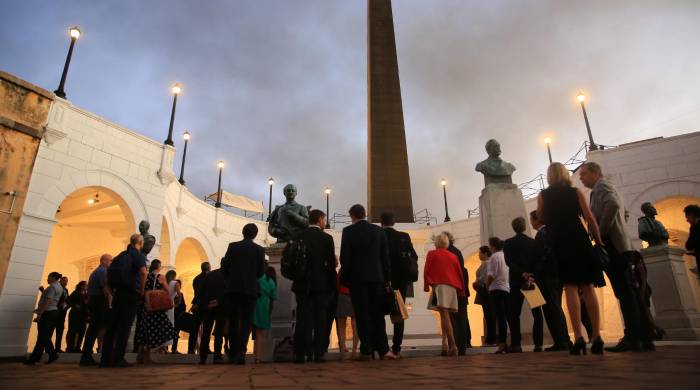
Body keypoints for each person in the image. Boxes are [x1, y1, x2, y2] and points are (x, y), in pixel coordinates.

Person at [580, 161, 654, 352]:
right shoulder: (606, 187)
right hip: (620, 245)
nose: (581, 177)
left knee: (624, 292)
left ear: (595, 172)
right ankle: (644, 335)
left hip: (614, 247)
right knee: (628, 291)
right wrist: (617, 226)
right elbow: (625, 212)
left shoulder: (602, 186)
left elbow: (612, 205)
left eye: (584, 174)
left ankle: (633, 336)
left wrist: (601, 232)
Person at [538, 162, 604, 355]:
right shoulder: (575, 192)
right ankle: (597, 336)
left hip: (559, 242)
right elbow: (589, 217)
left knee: (570, 288)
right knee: (588, 287)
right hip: (578, 238)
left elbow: (541, 217)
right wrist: (598, 241)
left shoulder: (543, 196)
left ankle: (578, 337)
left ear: (550, 176)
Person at [339, 204, 396, 360]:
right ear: (364, 214)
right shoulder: (378, 231)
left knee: (362, 315)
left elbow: (345, 258)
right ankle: (384, 349)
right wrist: (387, 279)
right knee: (377, 315)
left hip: (357, 281)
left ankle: (366, 350)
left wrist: (346, 280)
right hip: (377, 279)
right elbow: (385, 258)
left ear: (353, 216)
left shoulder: (348, 232)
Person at [292, 209, 337, 363]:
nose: (325, 222)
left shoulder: (298, 236)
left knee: (302, 319)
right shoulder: (326, 239)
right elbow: (331, 265)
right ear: (319, 220)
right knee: (320, 319)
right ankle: (318, 353)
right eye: (324, 220)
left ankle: (300, 354)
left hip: (301, 285)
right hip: (321, 285)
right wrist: (332, 286)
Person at [100, 234, 148, 368]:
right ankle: (118, 359)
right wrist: (141, 291)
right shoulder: (138, 255)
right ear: (140, 242)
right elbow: (144, 273)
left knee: (112, 327)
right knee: (124, 327)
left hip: (118, 294)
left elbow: (109, 274)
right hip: (131, 294)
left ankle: (105, 359)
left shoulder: (121, 255)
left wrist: (112, 292)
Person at [221, 223, 266, 364]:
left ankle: (233, 352)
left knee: (233, 320)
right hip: (250, 289)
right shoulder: (259, 250)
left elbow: (225, 266)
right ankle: (241, 352)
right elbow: (260, 272)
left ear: (243, 232)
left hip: (233, 288)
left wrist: (231, 279)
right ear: (255, 235)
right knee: (246, 321)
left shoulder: (233, 246)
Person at [529, 211, 571, 352]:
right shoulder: (549, 232)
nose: (531, 222)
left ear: (537, 220)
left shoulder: (542, 234)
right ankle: (562, 339)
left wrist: (536, 273)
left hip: (547, 278)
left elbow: (543, 256)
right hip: (555, 277)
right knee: (555, 308)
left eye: (531, 219)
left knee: (552, 309)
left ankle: (562, 341)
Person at [503, 217, 544, 353]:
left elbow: (509, 262)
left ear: (513, 228)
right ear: (525, 226)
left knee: (513, 314)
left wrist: (522, 273)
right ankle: (538, 344)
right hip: (531, 281)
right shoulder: (532, 243)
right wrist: (530, 274)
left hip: (516, 282)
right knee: (537, 313)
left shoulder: (508, 243)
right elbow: (538, 261)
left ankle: (516, 344)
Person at [381, 212, 418, 357]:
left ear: (381, 222)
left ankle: (383, 347)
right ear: (394, 222)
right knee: (399, 312)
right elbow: (413, 256)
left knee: (379, 312)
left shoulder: (378, 235)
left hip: (383, 279)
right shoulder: (404, 236)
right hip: (401, 280)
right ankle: (397, 347)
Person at [424, 233, 465, 356]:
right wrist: (461, 290)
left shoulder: (432, 254)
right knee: (444, 315)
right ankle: (444, 343)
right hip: (452, 287)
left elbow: (427, 270)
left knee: (445, 315)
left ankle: (452, 345)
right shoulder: (453, 256)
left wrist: (426, 285)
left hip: (439, 286)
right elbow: (459, 272)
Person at [135, 259, 178, 364]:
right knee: (160, 329)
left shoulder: (146, 276)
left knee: (144, 330)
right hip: (156, 309)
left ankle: (140, 355)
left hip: (147, 307)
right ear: (158, 267)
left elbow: (142, 290)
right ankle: (147, 357)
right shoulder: (161, 277)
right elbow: (167, 291)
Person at [80, 254, 113, 366]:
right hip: (99, 301)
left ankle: (86, 355)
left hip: (94, 301)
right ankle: (86, 356)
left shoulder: (97, 271)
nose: (111, 262)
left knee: (93, 329)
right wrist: (110, 304)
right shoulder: (103, 272)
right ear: (104, 261)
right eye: (110, 260)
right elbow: (105, 289)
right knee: (95, 328)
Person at [25, 272, 64, 365]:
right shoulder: (59, 287)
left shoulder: (52, 287)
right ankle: (34, 358)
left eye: (49, 277)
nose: (47, 279)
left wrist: (39, 315)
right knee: (43, 336)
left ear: (53, 278)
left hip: (47, 312)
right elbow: (52, 298)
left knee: (43, 335)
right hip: (54, 312)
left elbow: (48, 301)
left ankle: (52, 354)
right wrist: (43, 291)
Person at [444, 231, 472, 353]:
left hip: (453, 289)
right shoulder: (456, 252)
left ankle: (458, 345)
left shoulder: (449, 253)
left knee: (456, 319)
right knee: (461, 318)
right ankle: (463, 345)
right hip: (461, 289)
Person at [194, 264, 227, 364]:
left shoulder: (210, 275)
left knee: (206, 333)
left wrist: (203, 304)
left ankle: (202, 357)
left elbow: (200, 291)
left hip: (208, 307)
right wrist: (218, 301)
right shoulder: (227, 275)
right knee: (219, 333)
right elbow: (227, 291)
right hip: (221, 307)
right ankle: (217, 357)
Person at [485, 237, 509, 354]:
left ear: (492, 246)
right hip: (505, 288)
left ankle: (502, 343)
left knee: (500, 317)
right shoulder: (504, 255)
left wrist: (487, 285)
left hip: (496, 288)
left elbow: (491, 274)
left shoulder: (494, 257)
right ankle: (504, 342)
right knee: (504, 316)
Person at [253, 267, 278, 363]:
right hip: (264, 306)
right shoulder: (271, 281)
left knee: (252, 332)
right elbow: (274, 296)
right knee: (259, 333)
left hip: (254, 304)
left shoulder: (258, 278)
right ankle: (258, 357)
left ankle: (251, 354)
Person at [473, 246, 496, 346]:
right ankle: (490, 338)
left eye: (480, 253)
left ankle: (491, 338)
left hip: (486, 292)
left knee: (489, 315)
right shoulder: (486, 263)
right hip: (485, 291)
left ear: (485, 253)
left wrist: (476, 283)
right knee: (488, 315)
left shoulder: (487, 263)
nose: (479, 255)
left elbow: (484, 278)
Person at [336, 274, 359, 360]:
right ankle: (354, 352)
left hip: (343, 293)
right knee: (355, 324)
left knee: (341, 325)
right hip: (355, 294)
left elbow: (338, 282)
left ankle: (342, 352)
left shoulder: (343, 269)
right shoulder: (357, 267)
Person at [189, 262, 210, 354]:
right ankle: (205, 349)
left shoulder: (196, 278)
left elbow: (196, 292)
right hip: (206, 306)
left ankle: (191, 349)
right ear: (209, 268)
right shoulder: (210, 278)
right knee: (206, 329)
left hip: (197, 305)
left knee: (194, 329)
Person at [66, 281, 88, 353]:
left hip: (83, 315)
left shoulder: (87, 294)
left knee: (82, 331)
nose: (87, 286)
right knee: (72, 330)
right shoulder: (75, 293)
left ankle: (78, 347)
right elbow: (68, 300)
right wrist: (74, 304)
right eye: (86, 285)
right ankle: (70, 347)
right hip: (75, 314)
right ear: (81, 286)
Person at [54, 276, 69, 353]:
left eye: (67, 281)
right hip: (55, 313)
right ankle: (47, 348)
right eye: (64, 281)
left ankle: (57, 348)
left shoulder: (66, 290)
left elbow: (67, 300)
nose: (66, 283)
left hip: (62, 314)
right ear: (60, 281)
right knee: (51, 330)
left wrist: (66, 304)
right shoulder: (56, 288)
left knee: (60, 331)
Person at [164, 269, 178, 352]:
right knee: (170, 325)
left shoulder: (165, 283)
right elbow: (179, 294)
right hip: (171, 305)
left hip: (163, 305)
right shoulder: (175, 283)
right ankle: (166, 346)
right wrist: (177, 303)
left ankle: (163, 347)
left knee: (164, 325)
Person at [685, 204, 700, 276]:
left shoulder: (695, 227)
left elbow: (689, 245)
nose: (687, 220)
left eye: (687, 217)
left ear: (692, 215)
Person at [172, 280, 186, 354]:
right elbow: (183, 306)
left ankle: (174, 348)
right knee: (175, 333)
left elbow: (183, 306)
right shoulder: (178, 295)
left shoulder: (180, 294)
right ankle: (173, 349)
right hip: (176, 316)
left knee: (176, 333)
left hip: (177, 316)